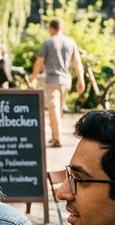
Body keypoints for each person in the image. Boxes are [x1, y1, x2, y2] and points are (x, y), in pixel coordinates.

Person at [31, 18, 85, 148]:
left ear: (51, 28)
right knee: (58, 108)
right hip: (66, 81)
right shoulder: (70, 42)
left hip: (52, 80)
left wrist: (33, 77)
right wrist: (80, 79)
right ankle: (55, 135)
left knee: (53, 109)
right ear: (62, 28)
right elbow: (77, 62)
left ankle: (57, 138)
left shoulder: (48, 42)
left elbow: (39, 61)